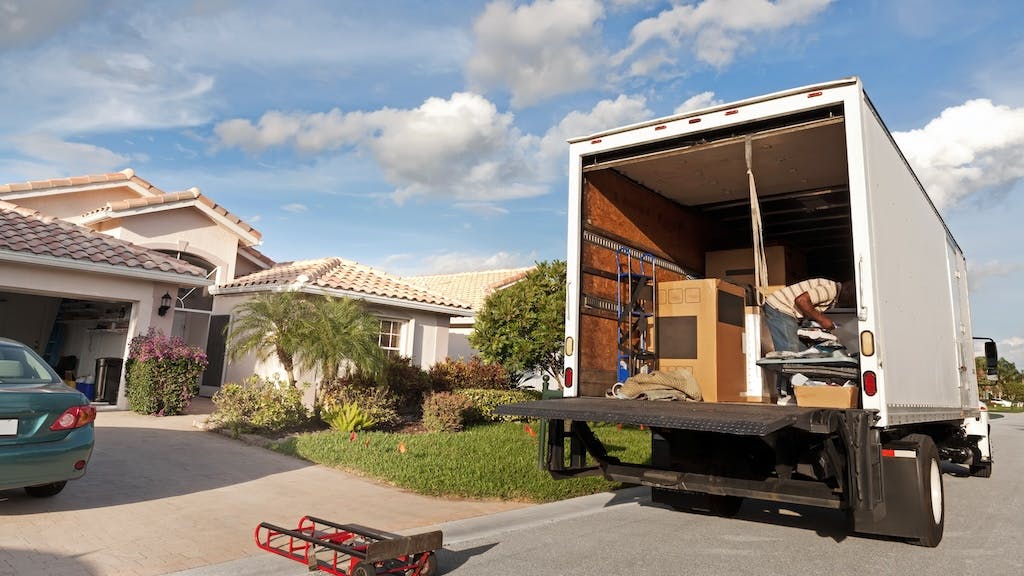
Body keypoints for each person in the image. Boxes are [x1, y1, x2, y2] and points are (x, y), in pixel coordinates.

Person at [763, 278, 846, 401]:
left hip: (788, 311)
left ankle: (801, 394)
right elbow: (801, 300)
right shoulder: (831, 289)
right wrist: (822, 320)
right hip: (780, 307)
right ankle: (786, 396)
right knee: (791, 356)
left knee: (803, 356)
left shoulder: (833, 293)